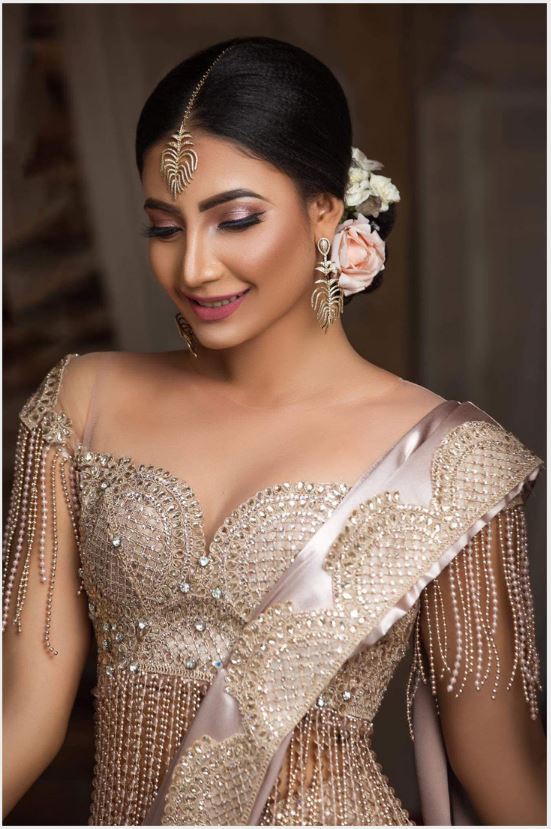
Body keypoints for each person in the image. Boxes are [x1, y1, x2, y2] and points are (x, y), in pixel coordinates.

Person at [2, 35, 546, 827]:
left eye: (235, 220)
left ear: (324, 209)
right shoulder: (83, 402)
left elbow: (497, 765)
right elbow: (24, 708)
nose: (194, 267)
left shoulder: (448, 457)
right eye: (165, 227)